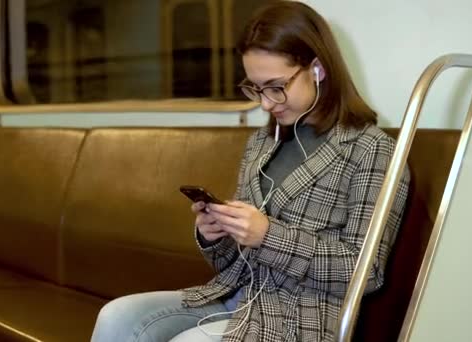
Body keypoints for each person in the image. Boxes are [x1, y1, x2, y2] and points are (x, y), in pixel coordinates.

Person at [91, 1, 410, 341]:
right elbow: (232, 263)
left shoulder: (371, 149)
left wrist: (267, 235)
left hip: (299, 316)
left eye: (275, 86)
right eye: (256, 89)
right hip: (232, 295)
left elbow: (366, 273)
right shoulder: (262, 142)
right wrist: (216, 235)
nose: (266, 104)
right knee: (116, 317)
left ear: (318, 69)